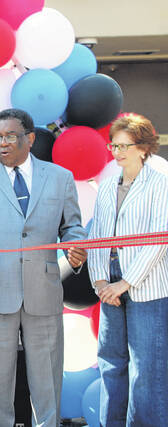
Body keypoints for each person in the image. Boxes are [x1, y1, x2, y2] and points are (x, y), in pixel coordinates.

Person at [0, 108, 87, 427]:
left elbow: (73, 227)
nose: (2, 143)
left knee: (47, 381)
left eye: (10, 136)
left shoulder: (60, 178)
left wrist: (75, 246)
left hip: (44, 290)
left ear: (30, 138)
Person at [88, 115, 168, 426]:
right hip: (108, 283)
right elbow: (99, 235)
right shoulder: (108, 185)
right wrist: (99, 280)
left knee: (147, 367)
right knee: (111, 363)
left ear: (144, 147)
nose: (117, 152)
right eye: (114, 145)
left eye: (125, 145)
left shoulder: (161, 182)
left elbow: (159, 240)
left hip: (147, 287)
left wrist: (125, 282)